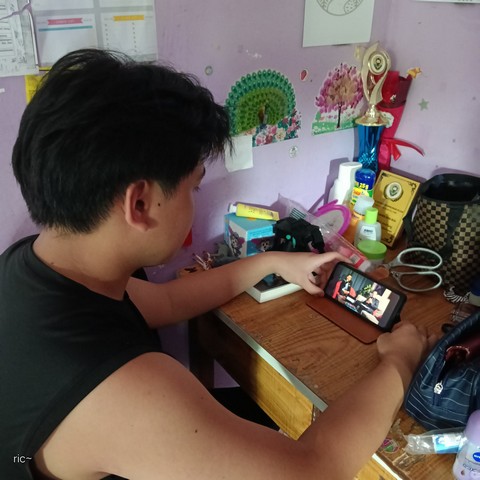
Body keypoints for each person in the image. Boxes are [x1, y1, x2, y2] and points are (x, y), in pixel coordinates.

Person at [0, 49, 436, 480]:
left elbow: (166, 302)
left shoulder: (35, 264)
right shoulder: (122, 393)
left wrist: (272, 262)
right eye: (193, 188)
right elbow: (313, 470)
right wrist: (399, 363)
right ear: (140, 204)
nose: (195, 201)